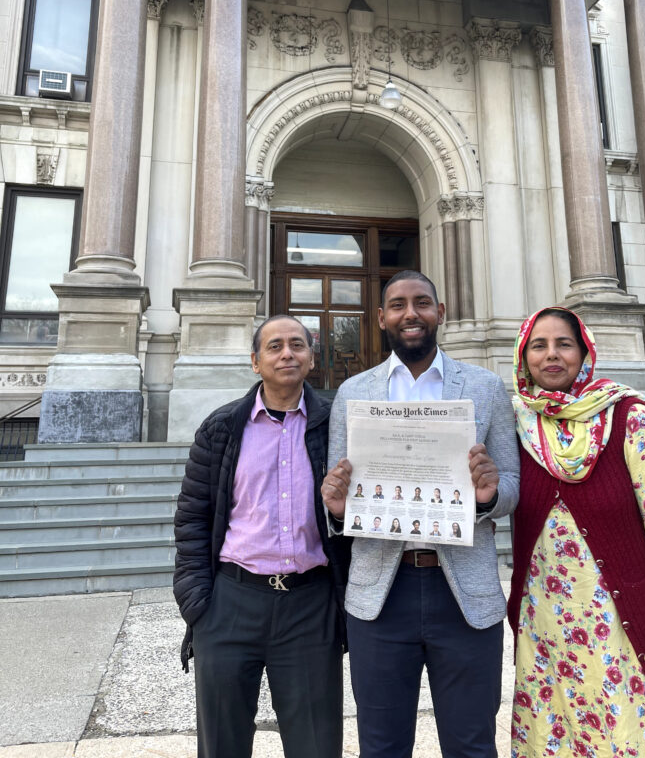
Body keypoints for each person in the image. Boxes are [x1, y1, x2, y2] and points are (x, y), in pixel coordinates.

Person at [322, 270, 520, 758]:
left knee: (472, 744)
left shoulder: (486, 388)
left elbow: (512, 488)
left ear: (440, 313)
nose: (411, 313)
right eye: (398, 305)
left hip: (465, 599)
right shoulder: (353, 393)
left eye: (422, 303)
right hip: (380, 599)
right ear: (382, 318)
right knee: (382, 746)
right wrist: (337, 506)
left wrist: (489, 494)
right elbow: (337, 493)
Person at [507, 306, 645, 758]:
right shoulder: (516, 424)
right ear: (524, 357)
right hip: (546, 637)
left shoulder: (628, 416)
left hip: (623, 629)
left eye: (564, 344)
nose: (552, 355)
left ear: (584, 352)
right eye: (538, 345)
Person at [173, 315, 351, 758]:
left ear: (311, 359)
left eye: (297, 345)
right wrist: (198, 606)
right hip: (232, 603)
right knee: (222, 744)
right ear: (255, 361)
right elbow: (193, 517)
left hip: (310, 607)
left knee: (316, 744)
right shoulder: (221, 428)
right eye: (274, 346)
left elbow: (356, 515)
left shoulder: (337, 427)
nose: (286, 353)